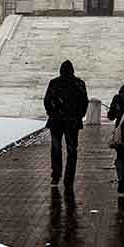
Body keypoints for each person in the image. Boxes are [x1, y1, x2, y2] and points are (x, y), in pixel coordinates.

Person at [43, 60, 89, 189]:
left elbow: (47, 100)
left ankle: (56, 175)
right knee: (72, 149)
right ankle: (69, 177)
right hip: (72, 122)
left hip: (57, 120)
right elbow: (84, 102)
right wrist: (78, 115)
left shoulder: (55, 83)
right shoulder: (78, 83)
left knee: (56, 149)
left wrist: (52, 112)